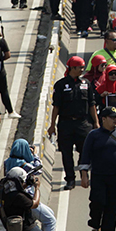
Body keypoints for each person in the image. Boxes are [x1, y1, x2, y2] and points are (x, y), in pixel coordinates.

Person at [78, 105, 116, 231]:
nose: (115, 120)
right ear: (103, 119)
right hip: (99, 176)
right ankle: (95, 225)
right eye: (112, 118)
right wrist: (84, 175)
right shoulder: (94, 135)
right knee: (97, 203)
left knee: (112, 206)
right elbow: (85, 155)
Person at [47, 56, 98, 190]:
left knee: (85, 151)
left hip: (83, 124)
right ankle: (70, 179)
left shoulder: (86, 83)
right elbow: (56, 106)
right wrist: (52, 125)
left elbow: (92, 104)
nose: (82, 69)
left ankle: (84, 174)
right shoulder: (60, 85)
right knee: (66, 153)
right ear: (72, 68)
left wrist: (96, 123)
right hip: (66, 124)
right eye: (80, 67)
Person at [0, 167, 57, 231]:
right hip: (27, 228)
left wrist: (27, 183)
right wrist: (37, 188)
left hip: (13, 226)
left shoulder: (3, 191)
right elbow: (34, 204)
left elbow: (16, 189)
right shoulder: (18, 196)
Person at [3, 138, 57, 231]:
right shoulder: (22, 164)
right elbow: (39, 169)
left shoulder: (7, 162)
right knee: (50, 220)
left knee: (49, 212)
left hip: (13, 199)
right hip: (27, 198)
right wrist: (35, 155)